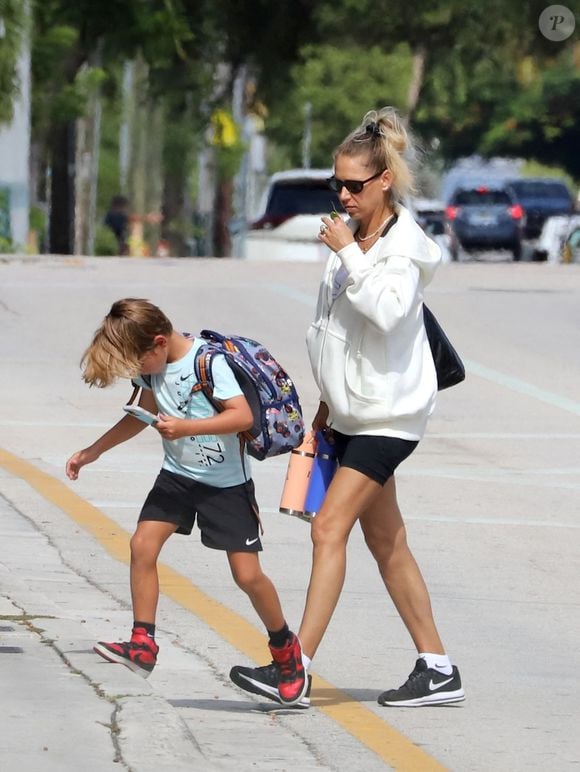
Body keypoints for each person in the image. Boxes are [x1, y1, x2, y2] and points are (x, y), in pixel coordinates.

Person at [230, 107, 465, 708]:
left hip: (391, 416)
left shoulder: (405, 249)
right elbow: (337, 332)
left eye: (354, 185)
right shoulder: (350, 240)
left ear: (384, 181)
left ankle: (296, 668)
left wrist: (350, 255)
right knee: (388, 544)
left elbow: (385, 312)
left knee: (329, 527)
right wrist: (327, 406)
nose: (343, 194)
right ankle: (438, 668)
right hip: (353, 413)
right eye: (336, 184)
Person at [65, 298, 308, 707]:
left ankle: (287, 654)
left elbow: (242, 417)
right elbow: (138, 414)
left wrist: (186, 427)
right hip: (177, 478)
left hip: (226, 485)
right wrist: (94, 451)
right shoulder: (152, 369)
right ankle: (143, 643)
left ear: (158, 343)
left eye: (137, 362)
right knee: (142, 545)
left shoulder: (208, 364)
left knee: (247, 577)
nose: (138, 372)